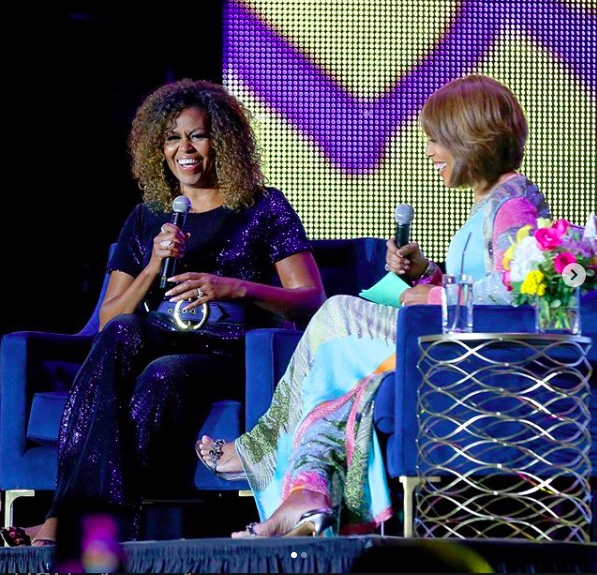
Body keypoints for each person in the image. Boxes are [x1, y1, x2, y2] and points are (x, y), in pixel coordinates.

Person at [197, 74, 551, 538]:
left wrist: (436, 295)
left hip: (462, 349)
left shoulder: (514, 203)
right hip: (444, 333)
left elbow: (518, 296)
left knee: (338, 312)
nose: (430, 153)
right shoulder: (492, 204)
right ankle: (308, 493)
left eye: (436, 141)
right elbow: (483, 284)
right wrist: (426, 276)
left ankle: (261, 448)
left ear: (471, 138)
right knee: (336, 364)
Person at [1, 78, 325, 546]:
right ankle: (82, 525)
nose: (184, 149)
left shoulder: (262, 206)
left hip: (231, 352)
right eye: (172, 138)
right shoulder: (149, 216)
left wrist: (232, 287)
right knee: (123, 335)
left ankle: (68, 523)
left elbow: (310, 297)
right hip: (159, 334)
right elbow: (109, 321)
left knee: (163, 375)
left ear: (224, 141)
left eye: (197, 135)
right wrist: (153, 264)